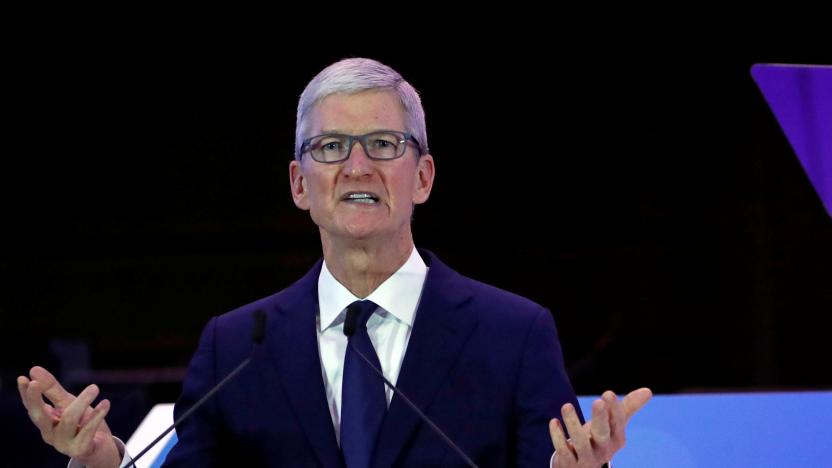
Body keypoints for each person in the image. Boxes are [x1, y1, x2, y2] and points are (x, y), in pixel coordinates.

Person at [18, 57, 651, 468]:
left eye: (382, 143)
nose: (356, 167)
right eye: (329, 147)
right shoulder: (237, 344)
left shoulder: (513, 334)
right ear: (298, 184)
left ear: (423, 176)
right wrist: (101, 461)